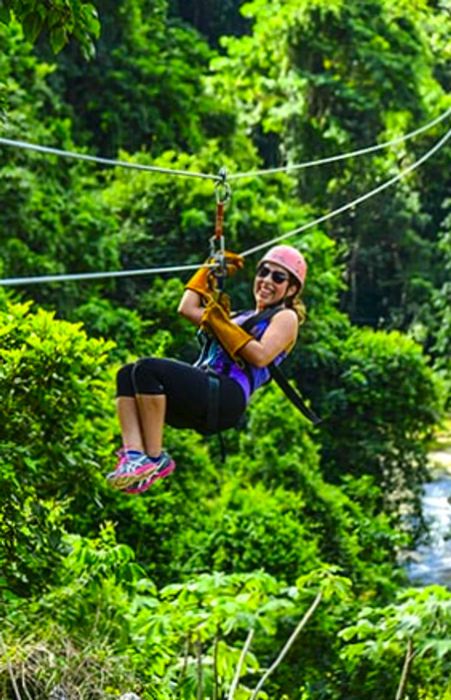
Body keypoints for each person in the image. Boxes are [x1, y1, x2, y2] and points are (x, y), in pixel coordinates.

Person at [106, 244, 307, 494]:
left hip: (227, 394)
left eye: (278, 277)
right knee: (127, 374)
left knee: (147, 369)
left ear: (291, 289)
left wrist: (219, 323)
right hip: (204, 391)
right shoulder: (236, 317)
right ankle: (136, 457)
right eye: (263, 272)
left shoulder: (285, 317)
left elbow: (261, 355)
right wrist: (207, 270)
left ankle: (155, 458)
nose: (267, 280)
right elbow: (187, 308)